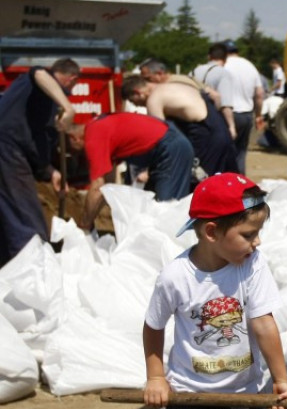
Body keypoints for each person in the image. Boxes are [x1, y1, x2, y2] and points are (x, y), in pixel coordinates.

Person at [143, 172, 287, 409]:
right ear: (212, 232)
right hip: (188, 395)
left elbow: (263, 323)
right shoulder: (175, 277)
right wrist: (156, 377)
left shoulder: (251, 265)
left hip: (243, 393)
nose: (258, 242)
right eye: (249, 234)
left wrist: (280, 380)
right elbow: (154, 326)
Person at [0, 58, 78, 266]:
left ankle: (12, 266)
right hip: (6, 146)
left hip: (12, 150)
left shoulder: (43, 106)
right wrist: (68, 108)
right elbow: (39, 74)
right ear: (71, 79)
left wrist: (51, 172)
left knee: (8, 212)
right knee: (25, 215)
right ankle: (34, 266)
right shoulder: (39, 80)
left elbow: (38, 144)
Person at [66, 112, 195, 229]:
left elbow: (97, 187)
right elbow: (107, 188)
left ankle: (174, 252)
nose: (76, 155)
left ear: (74, 138)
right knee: (152, 212)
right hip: (167, 146)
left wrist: (85, 223)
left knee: (166, 211)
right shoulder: (98, 126)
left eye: (72, 150)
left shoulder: (93, 136)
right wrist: (91, 218)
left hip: (170, 149)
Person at [122, 75, 239, 180]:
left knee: (203, 185)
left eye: (134, 101)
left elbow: (160, 138)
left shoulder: (154, 100)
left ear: (137, 92)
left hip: (206, 138)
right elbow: (215, 96)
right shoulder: (175, 85)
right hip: (219, 126)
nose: (137, 105)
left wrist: (147, 170)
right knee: (236, 179)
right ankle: (254, 203)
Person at [223, 41, 265, 174]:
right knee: (241, 153)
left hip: (226, 113)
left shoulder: (223, 66)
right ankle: (240, 185)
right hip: (246, 115)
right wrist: (258, 115)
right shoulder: (249, 65)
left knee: (223, 151)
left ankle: (223, 184)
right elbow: (259, 94)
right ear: (237, 51)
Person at [190, 43, 239, 140]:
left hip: (192, 119)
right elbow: (225, 105)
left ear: (209, 57)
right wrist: (231, 126)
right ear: (225, 60)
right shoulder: (223, 73)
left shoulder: (193, 71)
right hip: (211, 120)